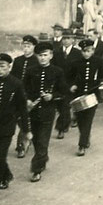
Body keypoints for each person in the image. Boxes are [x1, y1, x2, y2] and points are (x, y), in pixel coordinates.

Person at [0, 54, 30, 202]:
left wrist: (26, 129)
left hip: (7, 126)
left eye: (3, 66)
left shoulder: (16, 84)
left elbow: (22, 108)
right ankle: (7, 174)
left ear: (9, 67)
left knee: (0, 157)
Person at [24, 42, 68, 182]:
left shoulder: (57, 71)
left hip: (48, 112)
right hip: (33, 111)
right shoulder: (31, 71)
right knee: (36, 140)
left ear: (51, 55)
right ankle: (43, 157)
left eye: (45, 55)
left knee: (43, 141)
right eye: (40, 55)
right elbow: (23, 89)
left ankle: (36, 170)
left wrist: (52, 96)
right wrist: (27, 101)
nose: (42, 58)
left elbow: (63, 91)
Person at [70, 39, 103, 156]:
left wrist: (101, 83)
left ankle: (82, 145)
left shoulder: (98, 61)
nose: (86, 54)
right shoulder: (76, 62)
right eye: (84, 51)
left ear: (92, 51)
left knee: (88, 120)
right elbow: (70, 77)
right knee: (80, 120)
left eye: (88, 51)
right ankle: (86, 137)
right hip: (79, 95)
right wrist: (73, 85)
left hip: (92, 95)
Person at [10, 35, 38, 158]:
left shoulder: (36, 61)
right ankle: (27, 137)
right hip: (17, 94)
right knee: (19, 119)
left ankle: (21, 145)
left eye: (29, 46)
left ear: (33, 47)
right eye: (24, 46)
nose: (26, 48)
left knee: (25, 119)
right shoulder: (18, 60)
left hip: (30, 95)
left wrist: (31, 97)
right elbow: (12, 77)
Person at [53, 29, 82, 139]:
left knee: (65, 106)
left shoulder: (77, 53)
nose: (65, 41)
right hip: (59, 84)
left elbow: (79, 72)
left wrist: (75, 84)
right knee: (60, 107)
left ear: (73, 40)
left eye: (68, 38)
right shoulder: (57, 52)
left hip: (70, 85)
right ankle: (66, 122)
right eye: (64, 38)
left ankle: (60, 129)